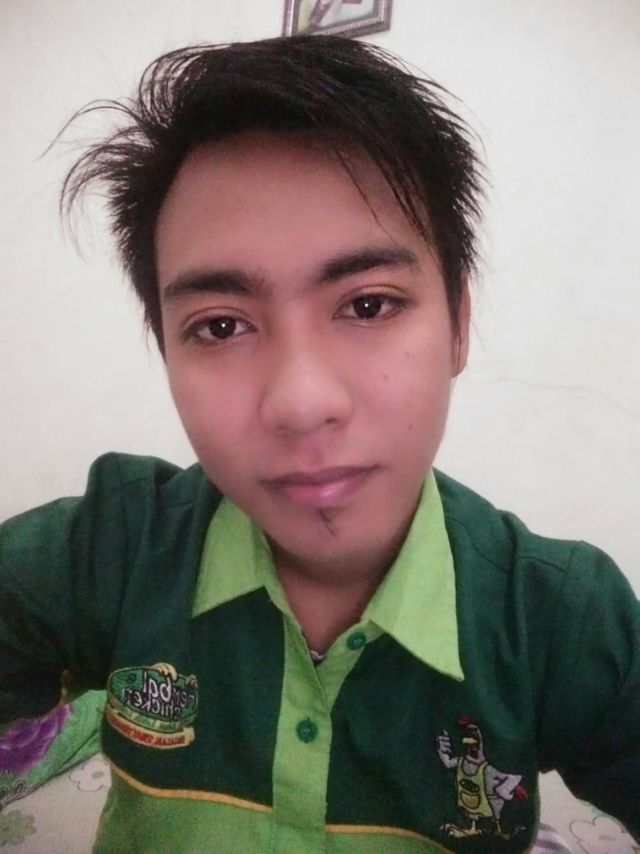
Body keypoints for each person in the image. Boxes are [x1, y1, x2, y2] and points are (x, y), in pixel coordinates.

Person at [1, 34, 638, 853]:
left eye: (368, 305)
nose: (302, 404)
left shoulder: (560, 621)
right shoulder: (108, 554)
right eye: (220, 326)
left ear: (458, 325)